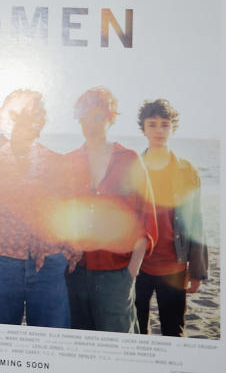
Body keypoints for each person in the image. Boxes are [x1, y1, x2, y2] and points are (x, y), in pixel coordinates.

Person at [0, 89, 74, 327]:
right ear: (9, 118)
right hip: (1, 266)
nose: (29, 123)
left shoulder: (57, 164)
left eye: (35, 116)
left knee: (51, 349)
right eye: (22, 116)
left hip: (48, 267)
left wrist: (65, 255)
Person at [64, 87, 157, 333]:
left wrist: (131, 272)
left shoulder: (128, 159)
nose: (90, 124)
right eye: (85, 117)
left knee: (118, 346)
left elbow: (145, 217)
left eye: (97, 117)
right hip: (75, 273)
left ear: (110, 118)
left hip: (116, 273)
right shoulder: (69, 161)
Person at [134, 99, 208, 337]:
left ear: (172, 129)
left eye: (164, 124)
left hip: (174, 266)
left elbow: (196, 219)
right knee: (135, 331)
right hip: (137, 266)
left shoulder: (186, 171)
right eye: (152, 124)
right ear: (143, 129)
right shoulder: (132, 167)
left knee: (173, 331)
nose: (158, 130)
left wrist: (197, 269)